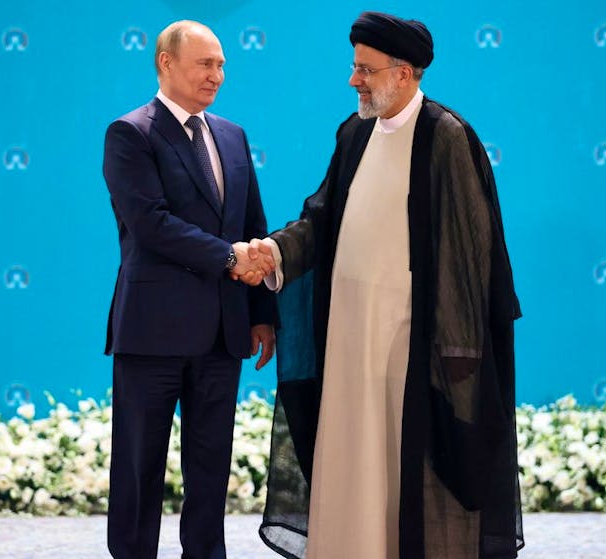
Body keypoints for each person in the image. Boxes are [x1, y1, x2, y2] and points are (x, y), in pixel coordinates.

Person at [251, 11, 524, 559]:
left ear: (405, 74)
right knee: (350, 461)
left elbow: (471, 253)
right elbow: (321, 219)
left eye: (366, 70)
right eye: (354, 67)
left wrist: (457, 357)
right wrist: (275, 251)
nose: (354, 80)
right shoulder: (353, 133)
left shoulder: (447, 136)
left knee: (408, 472)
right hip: (349, 336)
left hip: (410, 344)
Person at [102, 20, 278, 559]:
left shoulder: (231, 135)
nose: (217, 75)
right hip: (152, 333)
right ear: (166, 63)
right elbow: (151, 224)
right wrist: (230, 258)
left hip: (222, 334)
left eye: (221, 65)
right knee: (139, 471)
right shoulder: (130, 133)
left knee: (210, 469)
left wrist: (262, 311)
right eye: (206, 64)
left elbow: (253, 222)